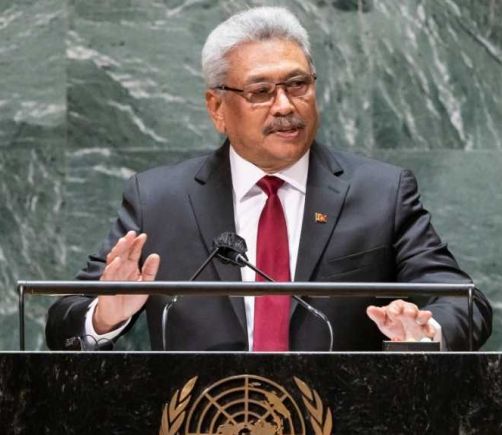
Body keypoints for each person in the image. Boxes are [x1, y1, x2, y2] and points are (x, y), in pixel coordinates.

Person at [46, 7, 491, 351]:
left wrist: (426, 332)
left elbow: (464, 301)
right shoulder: (160, 199)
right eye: (260, 92)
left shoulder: (381, 193)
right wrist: (105, 315)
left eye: (298, 85)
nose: (285, 106)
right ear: (217, 108)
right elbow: (63, 318)